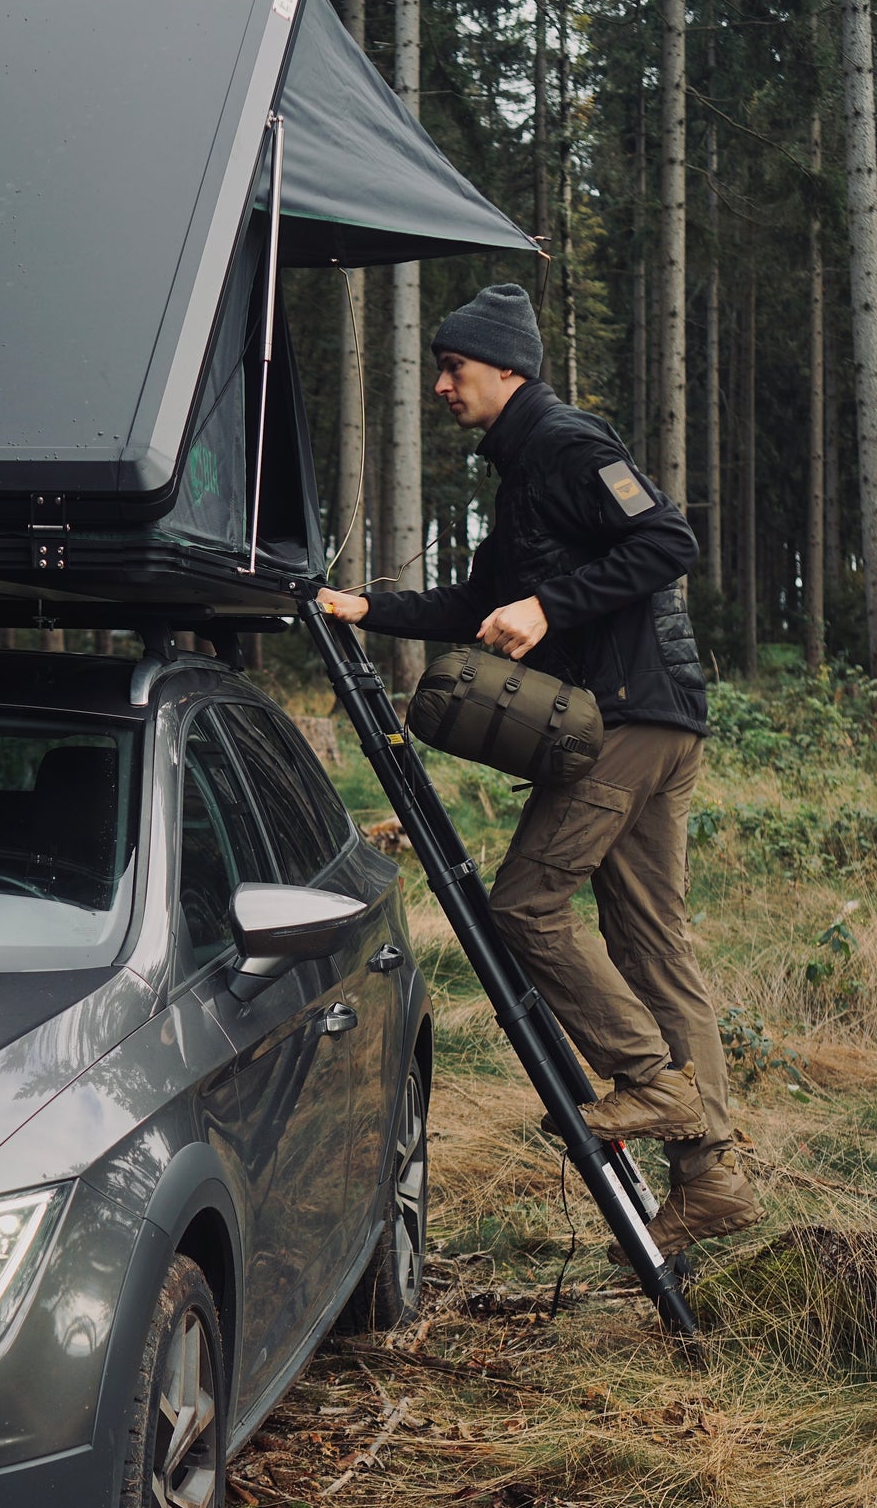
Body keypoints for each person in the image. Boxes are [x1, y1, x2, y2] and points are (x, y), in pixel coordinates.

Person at [319, 281, 760, 1261]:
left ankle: (651, 1083)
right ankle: (713, 1176)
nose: (440, 385)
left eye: (453, 367)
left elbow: (666, 541)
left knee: (522, 904)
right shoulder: (520, 472)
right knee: (651, 948)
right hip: (649, 718)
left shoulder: (565, 441)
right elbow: (478, 596)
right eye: (438, 367)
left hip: (629, 718)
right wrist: (362, 608)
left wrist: (549, 609)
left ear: (505, 369)